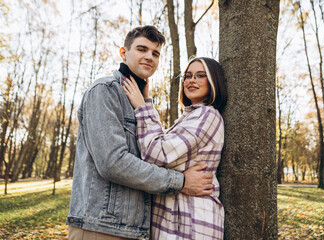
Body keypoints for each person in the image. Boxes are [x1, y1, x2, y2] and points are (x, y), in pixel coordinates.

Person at [66, 26, 215, 240]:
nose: (149, 57)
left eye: (155, 53)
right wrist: (181, 182)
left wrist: (145, 107)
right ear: (124, 53)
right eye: (142, 49)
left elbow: (155, 153)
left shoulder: (139, 102)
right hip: (99, 227)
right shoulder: (105, 91)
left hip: (133, 229)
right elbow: (113, 163)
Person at [122, 57, 227, 239]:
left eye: (200, 75)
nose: (191, 80)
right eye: (188, 76)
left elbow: (157, 154)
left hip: (193, 219)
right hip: (174, 216)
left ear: (213, 81)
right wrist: (146, 101)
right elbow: (162, 146)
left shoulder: (207, 114)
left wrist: (141, 106)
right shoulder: (190, 116)